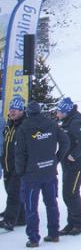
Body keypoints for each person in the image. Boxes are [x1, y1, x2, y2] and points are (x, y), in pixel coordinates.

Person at [15, 101, 69, 246]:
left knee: (31, 207)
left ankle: (33, 239)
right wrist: (55, 159)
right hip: (49, 173)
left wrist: (21, 171)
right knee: (51, 204)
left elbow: (19, 153)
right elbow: (65, 142)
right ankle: (54, 233)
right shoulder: (51, 124)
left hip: (31, 175)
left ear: (27, 112)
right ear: (40, 111)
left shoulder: (24, 128)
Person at [55, 98, 81, 236]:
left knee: (70, 194)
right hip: (67, 164)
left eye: (59, 111)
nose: (57, 113)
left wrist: (73, 155)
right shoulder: (66, 121)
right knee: (68, 193)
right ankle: (72, 222)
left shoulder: (75, 122)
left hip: (77, 165)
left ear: (66, 112)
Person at [0, 97, 26, 231]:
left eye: (15, 109)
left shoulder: (24, 126)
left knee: (13, 193)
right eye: (11, 109)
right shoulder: (10, 124)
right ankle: (21, 217)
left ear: (22, 110)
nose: (12, 112)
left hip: (18, 166)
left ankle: (9, 221)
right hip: (7, 165)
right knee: (9, 190)